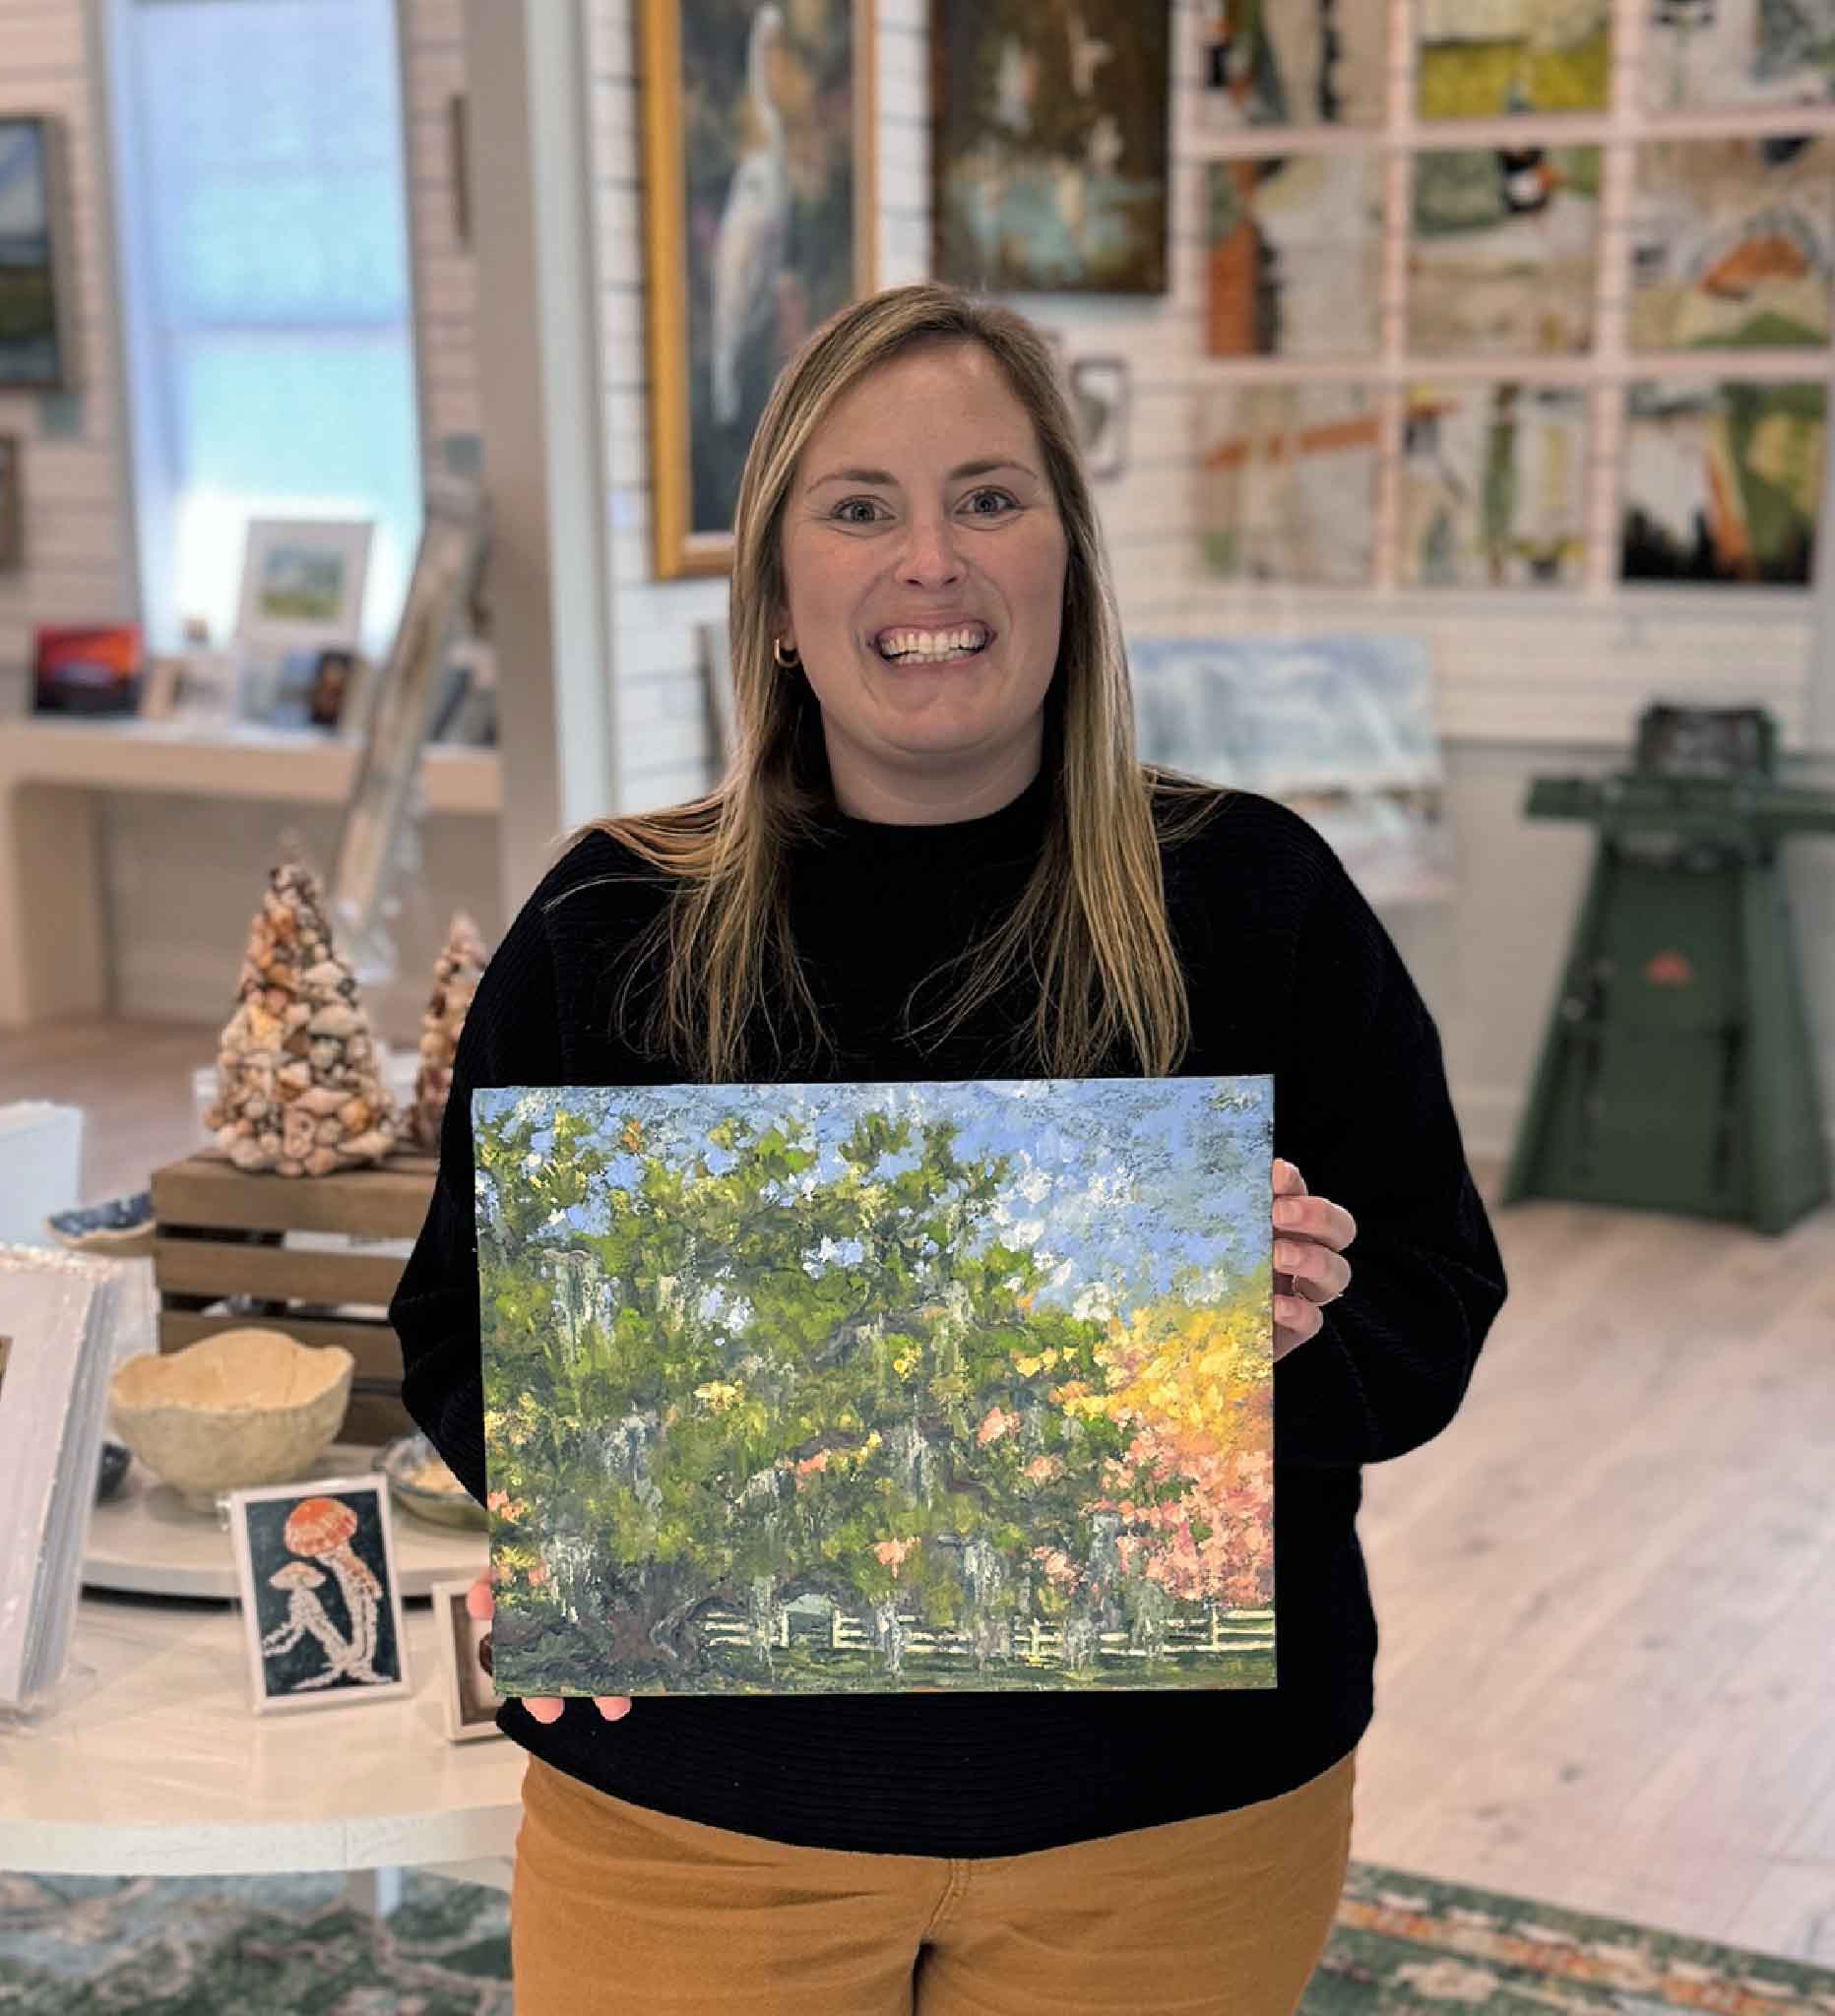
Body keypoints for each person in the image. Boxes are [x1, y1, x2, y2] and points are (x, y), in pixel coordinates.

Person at [391, 283, 1507, 2015]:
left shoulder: (1258, 903)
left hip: (1171, 1824)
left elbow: (1432, 1306)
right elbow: (457, 1332)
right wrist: (582, 1521)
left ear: (1067, 555)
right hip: (703, 1811)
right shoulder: (612, 925)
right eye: (860, 509)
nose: (932, 563)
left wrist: (1285, 1343)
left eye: (989, 498)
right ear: (775, 596)